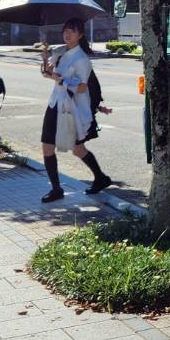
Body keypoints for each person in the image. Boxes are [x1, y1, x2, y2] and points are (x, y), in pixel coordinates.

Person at [39, 16, 113, 202]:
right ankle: (56, 189)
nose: (67, 34)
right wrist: (45, 60)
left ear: (80, 35)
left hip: (71, 109)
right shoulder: (61, 53)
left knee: (77, 148)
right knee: (47, 146)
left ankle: (101, 178)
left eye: (72, 31)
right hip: (55, 104)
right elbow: (47, 73)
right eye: (65, 30)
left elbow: (81, 87)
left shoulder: (81, 59)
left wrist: (58, 78)